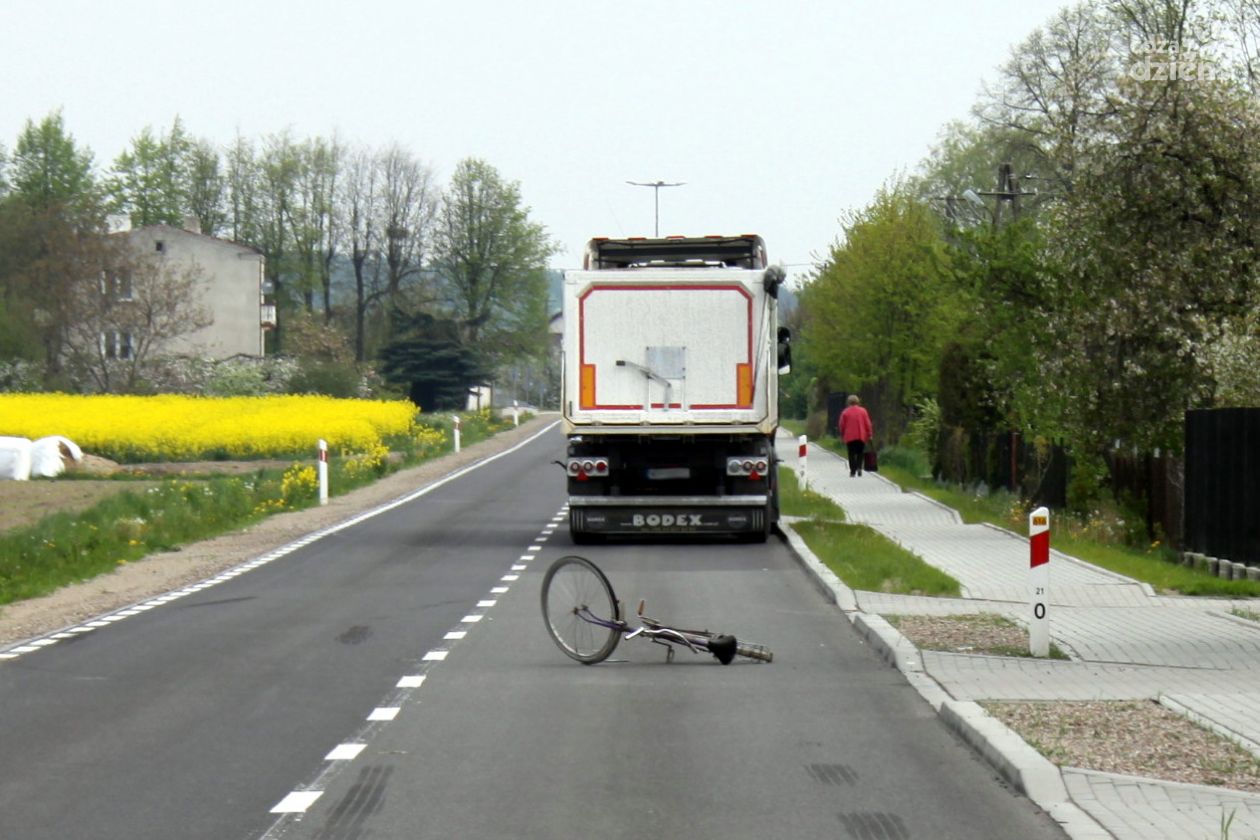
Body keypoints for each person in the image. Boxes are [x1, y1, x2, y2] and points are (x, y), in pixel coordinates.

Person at [837, 394, 873, 477]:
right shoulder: (863, 411)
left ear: (848, 402)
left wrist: (842, 434)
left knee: (851, 453)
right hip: (861, 435)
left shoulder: (845, 412)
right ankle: (859, 468)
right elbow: (868, 424)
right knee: (860, 453)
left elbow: (841, 425)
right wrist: (869, 434)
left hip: (849, 437)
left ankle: (853, 471)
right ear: (857, 401)